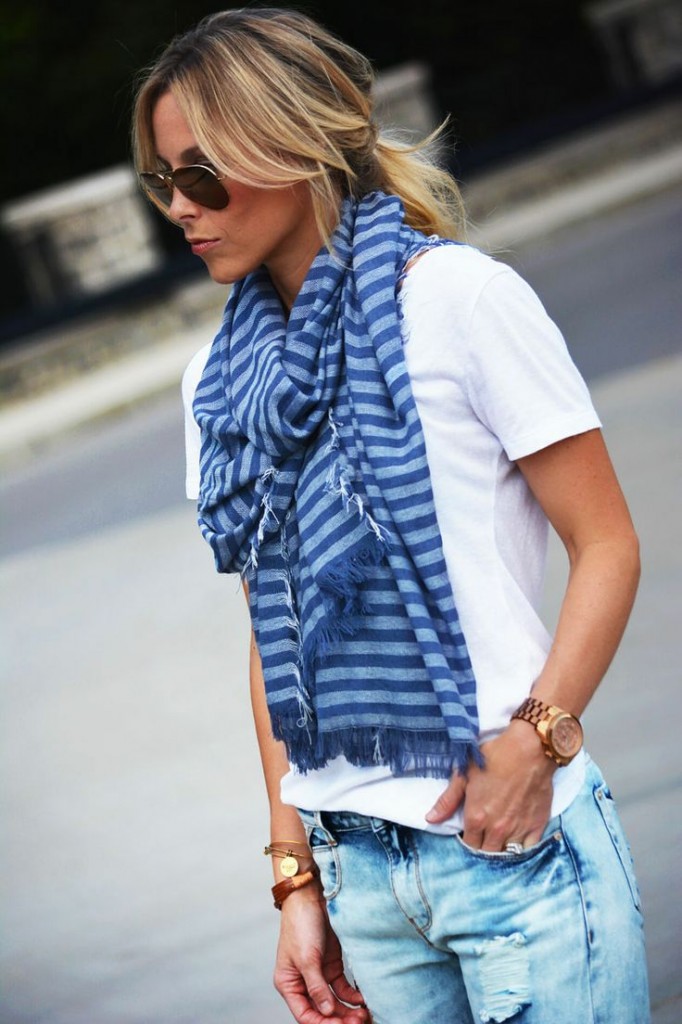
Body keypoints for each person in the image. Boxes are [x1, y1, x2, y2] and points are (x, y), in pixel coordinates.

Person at [132, 8, 650, 1023]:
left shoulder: (458, 300)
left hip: (516, 852)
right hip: (360, 877)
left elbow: (608, 544)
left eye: (201, 174)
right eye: (163, 181)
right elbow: (271, 640)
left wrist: (535, 740)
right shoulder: (218, 387)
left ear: (291, 146)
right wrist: (295, 877)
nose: (180, 209)